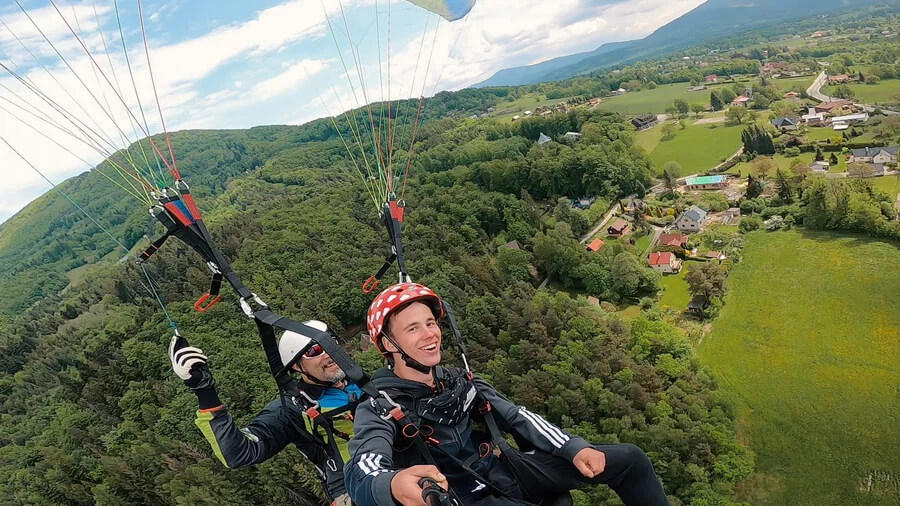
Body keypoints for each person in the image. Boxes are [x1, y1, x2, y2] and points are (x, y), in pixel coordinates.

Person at [346, 283, 670, 506]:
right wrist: (390, 485)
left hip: (505, 469)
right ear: (389, 344)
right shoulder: (380, 404)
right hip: (459, 494)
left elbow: (516, 416)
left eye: (431, 323)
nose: (430, 334)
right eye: (412, 328)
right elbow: (365, 466)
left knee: (630, 460)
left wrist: (572, 447)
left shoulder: (460, 380)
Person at [169, 320, 360, 506]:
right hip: (354, 486)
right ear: (296, 366)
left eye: (330, 343)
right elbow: (239, 453)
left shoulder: (362, 381)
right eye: (314, 351)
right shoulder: (293, 409)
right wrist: (205, 392)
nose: (328, 354)